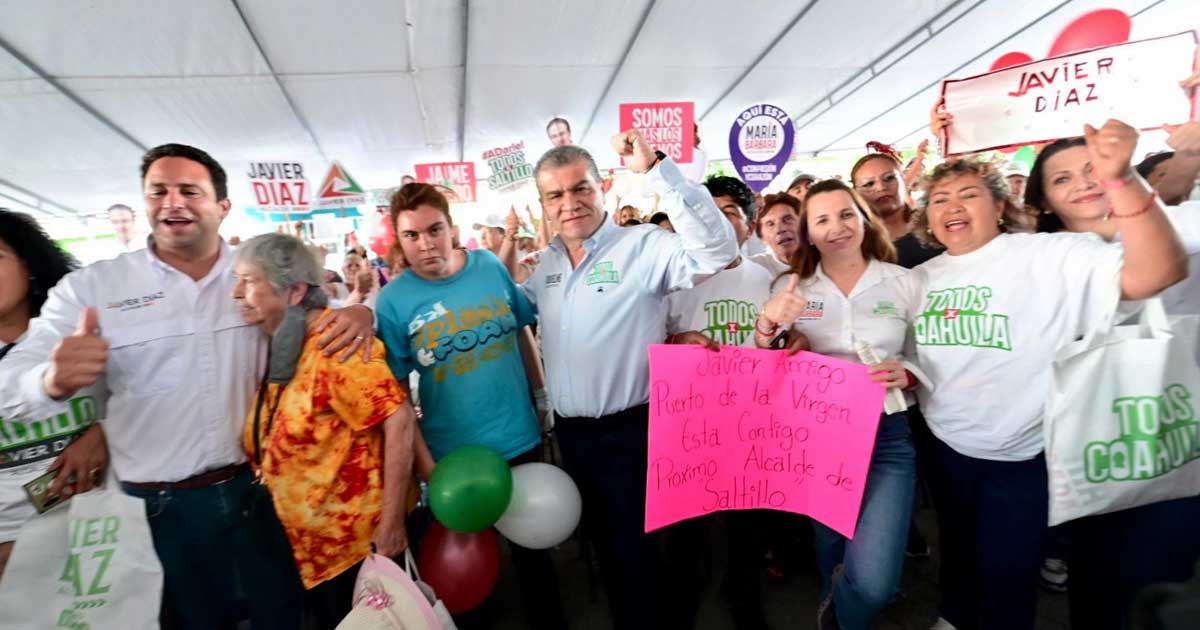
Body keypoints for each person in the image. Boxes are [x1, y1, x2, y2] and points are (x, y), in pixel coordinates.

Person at [0, 143, 376, 630]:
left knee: (281, 613)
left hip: (260, 491)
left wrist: (362, 312)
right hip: (159, 509)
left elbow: (326, 315)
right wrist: (48, 379)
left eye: (188, 190)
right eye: (158, 191)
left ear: (221, 206)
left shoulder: (261, 273)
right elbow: (13, 378)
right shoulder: (95, 288)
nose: (171, 201)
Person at [900, 122, 1188, 630]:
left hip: (1026, 453)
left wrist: (1123, 181)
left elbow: (1158, 272)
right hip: (947, 444)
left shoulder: (1050, 256)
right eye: (939, 199)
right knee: (959, 544)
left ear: (1001, 206)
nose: (952, 207)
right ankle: (954, 613)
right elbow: (908, 355)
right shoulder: (920, 279)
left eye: (969, 194)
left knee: (1007, 570)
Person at [508, 129, 736, 628]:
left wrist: (658, 170)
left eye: (580, 188)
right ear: (543, 204)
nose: (570, 203)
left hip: (635, 431)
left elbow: (717, 252)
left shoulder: (643, 247)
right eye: (556, 195)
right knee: (606, 554)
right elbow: (504, 312)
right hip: (573, 436)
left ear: (602, 187)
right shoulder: (545, 267)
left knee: (642, 560)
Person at [1024, 128, 1200, 630]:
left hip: (1177, 429)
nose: (1086, 183)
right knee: (1101, 574)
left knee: (1166, 571)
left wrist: (1177, 157)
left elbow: (1160, 264)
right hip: (1094, 439)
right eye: (1063, 178)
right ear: (1046, 201)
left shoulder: (1179, 223)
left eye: (1095, 168)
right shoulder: (1041, 259)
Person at [376, 183, 565, 630]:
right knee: (464, 579)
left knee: (537, 564)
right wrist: (426, 467)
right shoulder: (393, 300)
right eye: (412, 236)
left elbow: (521, 332)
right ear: (399, 242)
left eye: (434, 229)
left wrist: (541, 400)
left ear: (452, 227)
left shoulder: (487, 268)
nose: (426, 244)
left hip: (518, 437)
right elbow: (397, 395)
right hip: (453, 460)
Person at [755, 179, 921, 630]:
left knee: (875, 582)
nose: (837, 227)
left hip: (887, 434)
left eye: (846, 214)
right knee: (831, 543)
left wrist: (908, 373)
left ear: (864, 218)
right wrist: (770, 324)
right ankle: (836, 602)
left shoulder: (905, 283)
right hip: (817, 436)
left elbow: (925, 355)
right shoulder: (790, 286)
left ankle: (840, 614)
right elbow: (765, 354)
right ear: (808, 231)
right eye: (822, 219)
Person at [232, 233, 415, 628]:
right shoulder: (284, 344)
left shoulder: (332, 344)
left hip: (354, 549)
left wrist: (391, 524)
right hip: (314, 550)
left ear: (295, 291)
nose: (235, 293)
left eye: (248, 281)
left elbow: (398, 419)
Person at [659, 174, 775, 629]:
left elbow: (778, 344)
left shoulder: (766, 278)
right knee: (688, 527)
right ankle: (684, 598)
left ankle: (744, 597)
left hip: (751, 427)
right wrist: (677, 338)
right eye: (707, 213)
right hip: (691, 427)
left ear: (749, 225)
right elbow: (650, 342)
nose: (719, 224)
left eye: (729, 213)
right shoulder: (677, 280)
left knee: (747, 525)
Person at [0, 210, 109, 580]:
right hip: (9, 546)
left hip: (101, 532)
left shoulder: (80, 335)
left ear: (29, 265)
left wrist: (104, 433)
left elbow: (140, 402)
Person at [850, 148, 941, 269]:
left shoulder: (933, 222)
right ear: (856, 193)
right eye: (869, 184)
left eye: (889, 178)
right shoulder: (856, 244)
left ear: (904, 180)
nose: (881, 187)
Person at [749, 192, 803, 278]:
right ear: (762, 238)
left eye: (787, 219)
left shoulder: (825, 263)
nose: (780, 229)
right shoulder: (753, 269)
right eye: (770, 224)